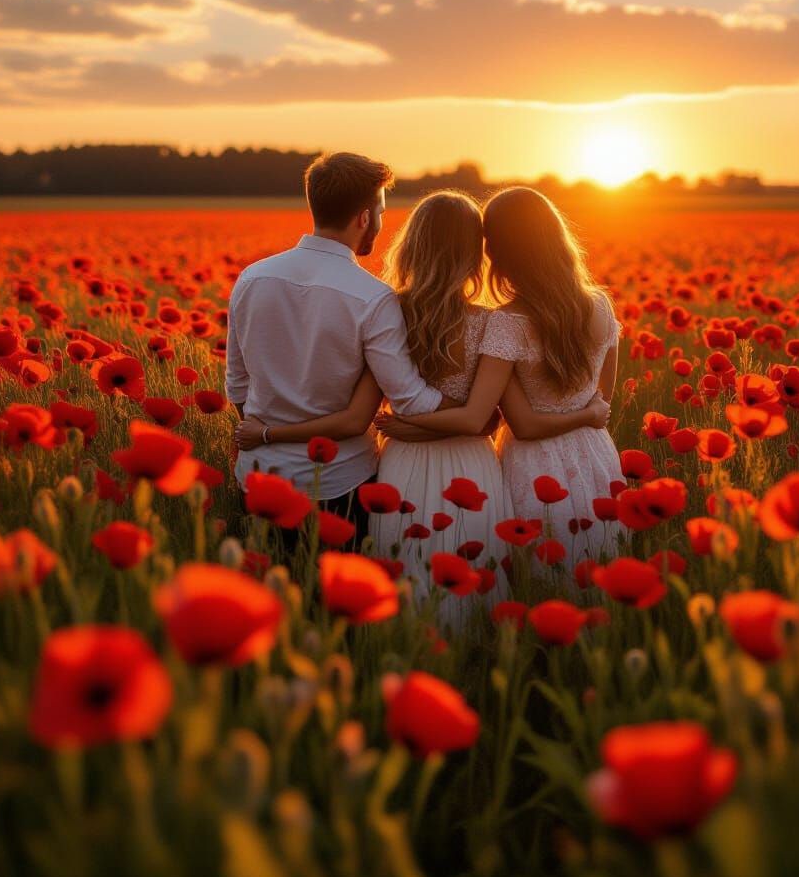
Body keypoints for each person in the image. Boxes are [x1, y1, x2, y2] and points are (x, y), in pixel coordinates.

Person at [236, 190, 609, 603]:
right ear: (475, 255)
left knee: (409, 573)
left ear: (412, 247)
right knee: (473, 578)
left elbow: (367, 413)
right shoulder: (488, 322)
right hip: (473, 465)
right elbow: (486, 419)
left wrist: (407, 426)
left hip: (404, 463)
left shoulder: (389, 312)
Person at [375, 186, 621, 558]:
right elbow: (605, 394)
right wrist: (587, 414)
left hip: (533, 465)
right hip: (595, 453)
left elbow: (515, 423)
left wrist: (410, 426)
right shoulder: (601, 304)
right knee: (600, 565)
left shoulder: (506, 322)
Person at [226, 151, 445, 542]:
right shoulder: (373, 298)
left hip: (258, 478)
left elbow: (237, 386)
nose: (379, 222)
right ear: (364, 217)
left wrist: (267, 434)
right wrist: (478, 409)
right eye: (379, 212)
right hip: (337, 485)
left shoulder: (252, 279)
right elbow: (409, 399)